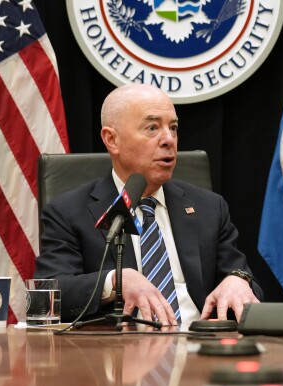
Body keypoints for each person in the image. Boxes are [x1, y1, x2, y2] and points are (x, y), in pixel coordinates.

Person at [35, 84, 261, 327]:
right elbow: (50, 295)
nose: (168, 140)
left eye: (173, 128)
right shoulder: (68, 212)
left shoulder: (209, 207)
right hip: (121, 355)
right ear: (112, 140)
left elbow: (246, 281)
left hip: (201, 349)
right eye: (152, 128)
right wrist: (115, 282)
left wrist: (239, 281)